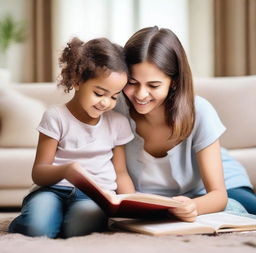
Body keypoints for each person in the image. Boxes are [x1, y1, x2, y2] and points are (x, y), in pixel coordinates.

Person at [115, 26, 256, 222]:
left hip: (215, 188)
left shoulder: (200, 112)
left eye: (153, 85)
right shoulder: (115, 111)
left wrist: (193, 206)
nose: (140, 94)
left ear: (174, 81)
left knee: (244, 210)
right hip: (153, 197)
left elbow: (218, 195)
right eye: (132, 82)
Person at [8, 37, 135, 238]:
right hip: (51, 191)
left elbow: (121, 173)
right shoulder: (56, 117)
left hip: (95, 196)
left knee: (78, 230)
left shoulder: (118, 123)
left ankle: (58, 221)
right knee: (36, 229)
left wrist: (132, 203)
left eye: (113, 96)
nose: (106, 103)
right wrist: (66, 170)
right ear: (77, 81)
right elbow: (39, 173)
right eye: (99, 93)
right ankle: (26, 221)